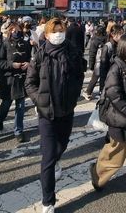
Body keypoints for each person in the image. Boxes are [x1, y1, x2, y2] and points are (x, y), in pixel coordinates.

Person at [25, 18, 85, 213]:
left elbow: (79, 75)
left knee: (63, 144)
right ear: (47, 34)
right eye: (55, 31)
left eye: (61, 30)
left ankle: (57, 157)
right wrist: (38, 100)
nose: (58, 34)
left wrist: (75, 94)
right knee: (48, 157)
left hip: (66, 110)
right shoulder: (40, 54)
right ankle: (48, 201)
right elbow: (30, 83)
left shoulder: (72, 53)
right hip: (46, 113)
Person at [90, 34, 126, 199]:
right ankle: (97, 174)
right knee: (114, 160)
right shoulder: (115, 68)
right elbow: (116, 97)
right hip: (121, 122)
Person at [0, 23, 31, 142]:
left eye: (18, 29)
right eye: (13, 29)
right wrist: (11, 65)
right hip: (9, 79)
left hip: (21, 78)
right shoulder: (5, 44)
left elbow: (30, 57)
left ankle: (18, 130)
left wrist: (28, 63)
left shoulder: (25, 44)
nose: (16, 31)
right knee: (6, 103)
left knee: (20, 106)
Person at [83, 25, 107, 100]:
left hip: (99, 62)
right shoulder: (107, 39)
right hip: (107, 61)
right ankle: (102, 93)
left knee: (94, 79)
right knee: (104, 78)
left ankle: (88, 93)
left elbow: (92, 54)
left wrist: (91, 66)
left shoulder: (95, 40)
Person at [98, 25, 124, 94]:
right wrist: (102, 87)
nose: (121, 36)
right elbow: (103, 68)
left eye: (122, 33)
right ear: (112, 34)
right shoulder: (108, 46)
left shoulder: (121, 44)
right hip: (109, 77)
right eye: (119, 34)